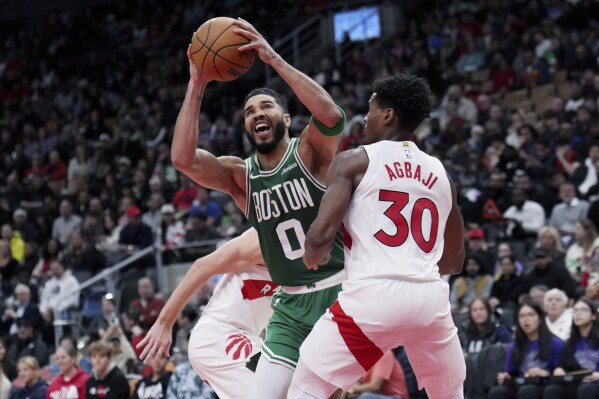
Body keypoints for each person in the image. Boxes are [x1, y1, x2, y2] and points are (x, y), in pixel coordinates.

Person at [170, 17, 346, 398]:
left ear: (285, 119)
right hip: (290, 304)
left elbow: (332, 116)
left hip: (339, 291)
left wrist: (274, 59)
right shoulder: (240, 175)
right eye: (249, 112)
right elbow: (183, 159)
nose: (256, 114)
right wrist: (197, 85)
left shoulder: (309, 153)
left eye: (265, 107)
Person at [287, 74, 466, 399]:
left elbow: (318, 239)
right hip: (429, 298)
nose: (364, 119)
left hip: (372, 296)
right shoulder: (442, 174)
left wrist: (315, 256)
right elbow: (453, 261)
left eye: (369, 110)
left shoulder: (355, 160)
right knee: (449, 393)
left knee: (308, 385)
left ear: (387, 115)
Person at [137, 228, 275, 399]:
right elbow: (201, 267)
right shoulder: (263, 237)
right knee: (276, 388)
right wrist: (164, 322)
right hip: (219, 335)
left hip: (244, 336)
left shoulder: (303, 256)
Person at [488, 301, 564, 399]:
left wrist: (545, 374)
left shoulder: (555, 343)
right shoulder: (514, 346)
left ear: (540, 319)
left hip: (545, 386)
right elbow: (511, 372)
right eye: (521, 316)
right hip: (521, 384)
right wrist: (506, 376)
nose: (526, 320)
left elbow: (561, 373)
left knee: (528, 390)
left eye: (530, 315)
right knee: (497, 392)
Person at [543, 299, 599, 399]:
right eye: (575, 310)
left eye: (583, 310)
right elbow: (563, 365)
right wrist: (559, 370)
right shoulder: (570, 342)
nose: (578, 314)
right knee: (552, 390)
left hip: (595, 381)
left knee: (586, 389)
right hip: (577, 381)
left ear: (593, 315)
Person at [339, 350, 409, 399]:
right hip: (376, 394)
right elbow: (358, 382)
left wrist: (350, 389)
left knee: (366, 397)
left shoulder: (384, 354)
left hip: (395, 397)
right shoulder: (364, 356)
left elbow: (375, 386)